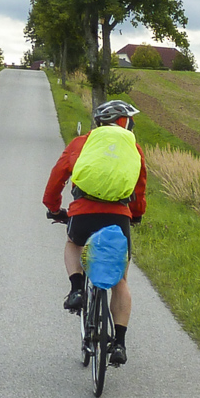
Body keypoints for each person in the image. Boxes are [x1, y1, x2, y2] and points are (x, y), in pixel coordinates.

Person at [43, 99, 147, 366]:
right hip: (118, 216)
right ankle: (119, 343)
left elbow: (58, 176)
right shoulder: (132, 148)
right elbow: (139, 186)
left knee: (73, 243)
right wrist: (136, 214)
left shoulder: (81, 143)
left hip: (83, 212)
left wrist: (53, 208)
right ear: (124, 123)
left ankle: (77, 289)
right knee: (120, 280)